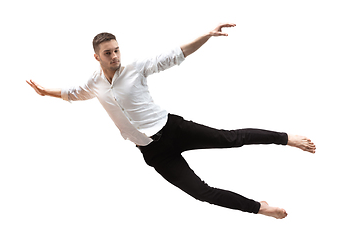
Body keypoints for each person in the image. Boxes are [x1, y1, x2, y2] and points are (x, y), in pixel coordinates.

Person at [26, 23, 316, 219]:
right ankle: (259, 208)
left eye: (116, 50)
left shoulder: (135, 68)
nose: (114, 56)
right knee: (202, 193)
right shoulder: (95, 82)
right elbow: (72, 93)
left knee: (231, 139)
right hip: (151, 151)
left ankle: (286, 138)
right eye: (108, 53)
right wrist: (44, 93)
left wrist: (207, 35)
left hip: (174, 129)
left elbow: (175, 55)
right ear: (96, 56)